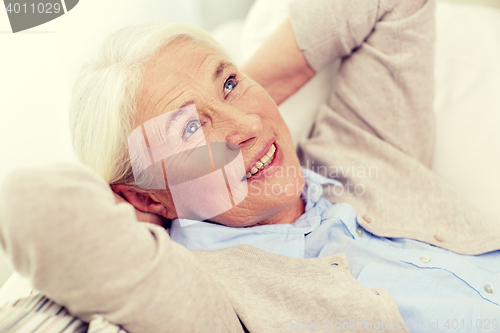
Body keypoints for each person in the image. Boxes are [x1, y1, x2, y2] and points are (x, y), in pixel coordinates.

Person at [0, 0, 499, 332]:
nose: (244, 126)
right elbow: (27, 204)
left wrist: (242, 102)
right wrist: (152, 203)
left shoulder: (359, 146)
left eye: (230, 84)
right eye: (190, 130)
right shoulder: (215, 297)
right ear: (142, 196)